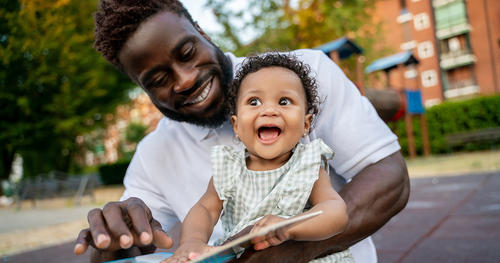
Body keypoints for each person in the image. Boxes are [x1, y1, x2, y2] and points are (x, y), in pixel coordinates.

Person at [74, 1, 410, 262]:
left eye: (188, 52)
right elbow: (199, 213)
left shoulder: (302, 83)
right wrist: (113, 242)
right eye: (158, 80)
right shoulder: (161, 156)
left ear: (203, 33)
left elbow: (385, 176)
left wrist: (289, 240)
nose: (185, 79)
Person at [165, 53, 352, 263]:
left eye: (284, 101)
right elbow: (205, 210)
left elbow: (335, 212)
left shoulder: (307, 165)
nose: (269, 110)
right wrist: (193, 241)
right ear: (236, 126)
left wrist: (290, 226)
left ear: (305, 124)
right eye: (254, 101)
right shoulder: (229, 168)